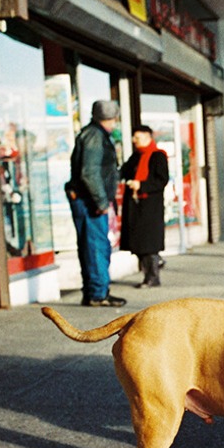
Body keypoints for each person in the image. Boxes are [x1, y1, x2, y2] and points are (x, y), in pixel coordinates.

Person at [66, 99, 125, 307]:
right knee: (96, 247)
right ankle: (97, 294)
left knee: (93, 246)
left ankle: (96, 291)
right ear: (111, 118)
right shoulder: (94, 136)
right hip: (90, 202)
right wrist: (101, 201)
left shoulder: (93, 134)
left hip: (88, 199)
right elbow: (90, 172)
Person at [119, 125, 170, 288]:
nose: (134, 141)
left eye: (138, 138)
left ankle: (152, 277)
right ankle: (149, 274)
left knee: (149, 245)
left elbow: (161, 180)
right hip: (135, 207)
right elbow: (123, 172)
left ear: (148, 138)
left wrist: (141, 185)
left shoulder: (157, 156)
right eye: (134, 138)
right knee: (139, 244)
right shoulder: (135, 156)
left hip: (150, 208)